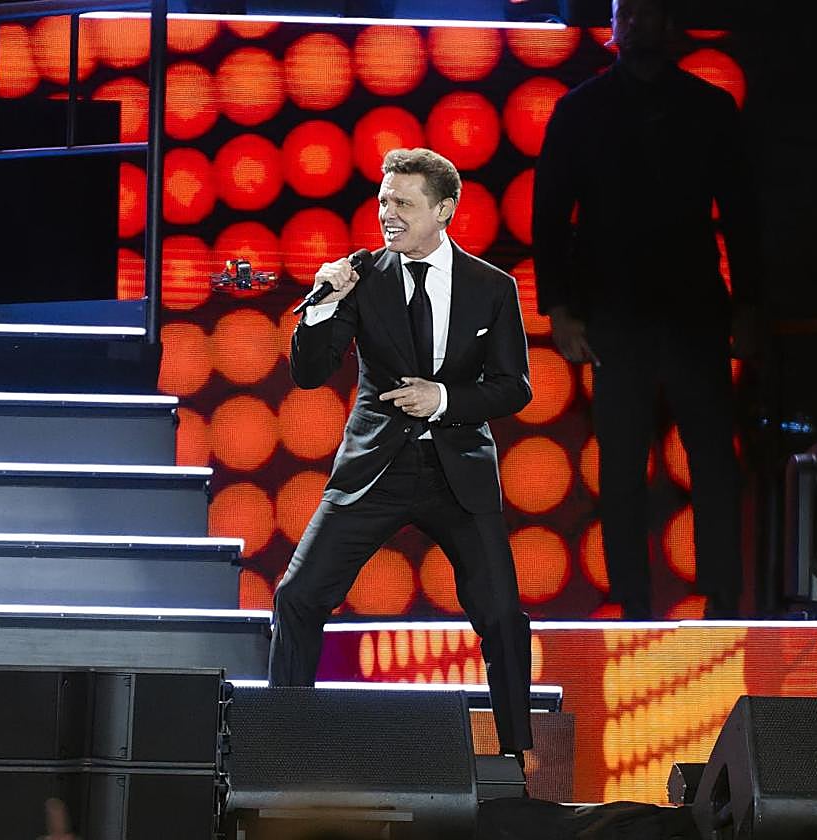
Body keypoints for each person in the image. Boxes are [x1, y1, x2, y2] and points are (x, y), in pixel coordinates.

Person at [269, 148, 535, 759]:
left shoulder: (492, 288)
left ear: (443, 211)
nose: (388, 214)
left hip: (457, 472)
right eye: (384, 201)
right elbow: (310, 374)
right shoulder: (362, 278)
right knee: (298, 596)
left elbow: (514, 387)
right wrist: (324, 303)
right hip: (374, 470)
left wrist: (443, 397)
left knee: (501, 617)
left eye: (403, 204)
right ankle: (280, 745)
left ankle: (520, 763)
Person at [533, 0, 761, 619]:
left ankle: (722, 599)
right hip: (615, 313)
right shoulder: (579, 112)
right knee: (624, 465)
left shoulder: (709, 110)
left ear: (669, 23)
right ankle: (631, 603)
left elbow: (743, 218)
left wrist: (747, 307)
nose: (634, 23)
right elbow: (551, 216)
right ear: (612, 24)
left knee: (712, 458)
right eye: (623, 12)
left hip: (692, 309)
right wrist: (559, 307)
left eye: (647, 11)